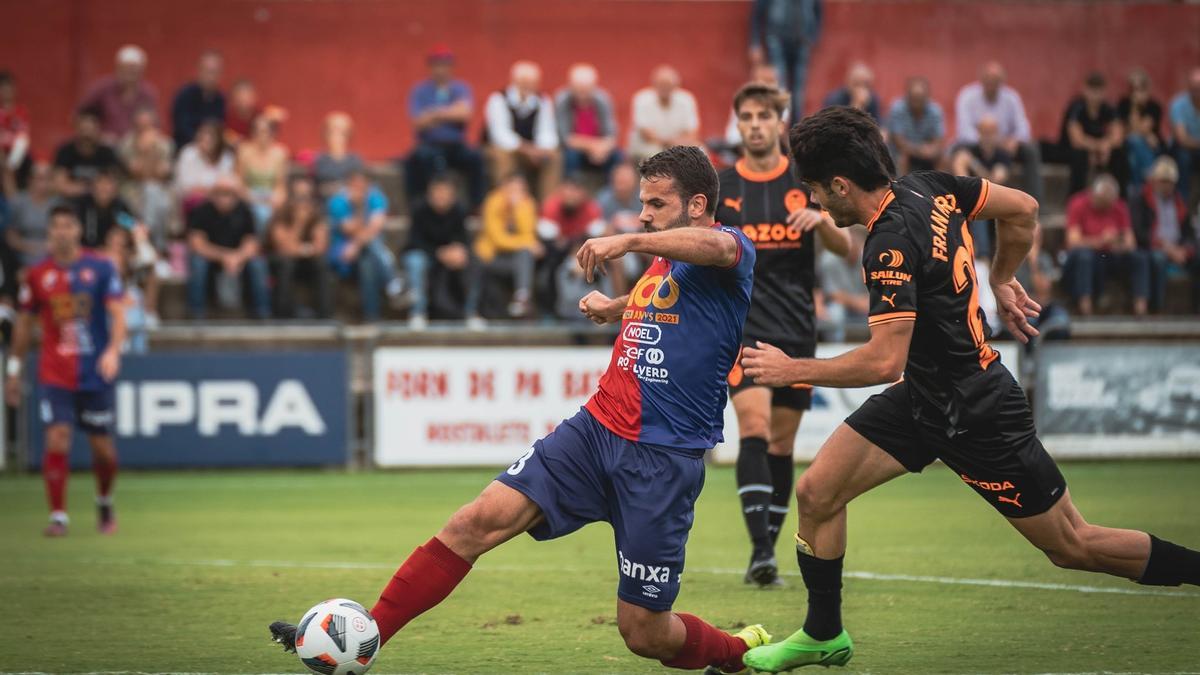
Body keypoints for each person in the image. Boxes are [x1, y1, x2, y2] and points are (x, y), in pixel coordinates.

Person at [270, 145, 772, 672]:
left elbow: (714, 249)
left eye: (656, 203)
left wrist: (628, 238)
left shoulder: (728, 248)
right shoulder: (669, 262)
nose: (644, 212)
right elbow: (668, 295)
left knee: (644, 633)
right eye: (643, 204)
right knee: (474, 522)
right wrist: (616, 307)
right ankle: (363, 637)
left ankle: (739, 652)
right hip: (595, 430)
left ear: (697, 204)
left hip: (662, 458)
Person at [735, 106, 1200, 672]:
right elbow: (1024, 209)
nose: (816, 203)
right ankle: (823, 633)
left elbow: (884, 361)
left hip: (978, 410)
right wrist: (1001, 276)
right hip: (925, 396)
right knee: (817, 493)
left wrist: (791, 370)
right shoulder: (931, 187)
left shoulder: (887, 246)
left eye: (815, 189)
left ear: (839, 184)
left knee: (1072, 545)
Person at [715, 83, 850, 587]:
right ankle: (759, 551)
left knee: (781, 443)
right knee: (752, 426)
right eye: (746, 116)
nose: (754, 124)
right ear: (738, 123)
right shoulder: (723, 187)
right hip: (742, 327)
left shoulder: (804, 182)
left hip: (796, 327)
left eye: (763, 116)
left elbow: (845, 249)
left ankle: (766, 551)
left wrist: (821, 220)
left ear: (778, 123)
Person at [5, 205, 126, 537]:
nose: (62, 231)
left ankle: (104, 499)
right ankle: (58, 516)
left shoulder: (101, 268)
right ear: (49, 232)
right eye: (56, 225)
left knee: (103, 449)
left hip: (94, 371)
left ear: (77, 230)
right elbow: (24, 327)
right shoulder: (37, 275)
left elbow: (118, 314)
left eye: (68, 225)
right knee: (57, 440)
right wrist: (13, 370)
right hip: (55, 372)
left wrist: (113, 351)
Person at [405, 46, 484, 209]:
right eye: (437, 65)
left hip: (456, 145)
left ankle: (476, 205)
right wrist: (450, 111)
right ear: (431, 68)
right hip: (430, 144)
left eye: (445, 65)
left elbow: (464, 114)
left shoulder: (461, 88)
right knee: (417, 159)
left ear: (451, 68)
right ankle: (418, 206)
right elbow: (418, 123)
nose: (441, 69)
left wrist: (434, 113)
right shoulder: (420, 90)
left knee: (476, 158)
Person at [954, 61, 1042, 200]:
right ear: (981, 79)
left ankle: (1035, 202)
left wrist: (1014, 140)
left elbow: (1023, 128)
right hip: (976, 145)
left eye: (995, 80)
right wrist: (990, 140)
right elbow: (964, 131)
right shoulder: (967, 95)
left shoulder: (1011, 98)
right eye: (988, 79)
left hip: (1004, 148)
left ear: (1002, 81)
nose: (991, 83)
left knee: (1031, 150)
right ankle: (958, 200)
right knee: (958, 150)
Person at [1063, 173, 1150, 316]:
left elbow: (1130, 243)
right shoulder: (1078, 203)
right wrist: (1101, 241)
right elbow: (1072, 242)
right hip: (1088, 256)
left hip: (1110, 255)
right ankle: (1085, 308)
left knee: (1139, 257)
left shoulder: (1119, 206)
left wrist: (1117, 244)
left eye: (1109, 204)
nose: (1106, 208)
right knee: (1084, 257)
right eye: (1102, 203)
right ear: (1094, 196)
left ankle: (1141, 308)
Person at [185, 176, 270, 319]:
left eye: (228, 193)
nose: (224, 198)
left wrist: (237, 257)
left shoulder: (245, 211)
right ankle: (196, 311)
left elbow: (251, 243)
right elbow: (197, 244)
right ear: (212, 194)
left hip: (238, 258)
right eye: (220, 193)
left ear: (236, 196)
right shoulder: (202, 211)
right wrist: (225, 257)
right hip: (211, 258)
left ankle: (262, 311)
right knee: (198, 263)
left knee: (258, 264)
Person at [326, 170, 402, 321]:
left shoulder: (376, 197)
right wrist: (359, 207)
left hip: (364, 251)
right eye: (355, 185)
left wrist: (356, 245)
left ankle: (372, 316)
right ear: (348, 185)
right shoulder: (337, 201)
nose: (359, 189)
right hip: (342, 251)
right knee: (371, 248)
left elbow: (376, 226)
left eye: (363, 185)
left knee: (367, 261)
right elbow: (350, 228)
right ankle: (392, 281)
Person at [467, 173, 541, 327]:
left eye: (520, 189)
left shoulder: (527, 203)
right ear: (503, 187)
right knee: (525, 250)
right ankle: (471, 311)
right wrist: (526, 243)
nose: (515, 193)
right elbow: (497, 239)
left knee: (525, 255)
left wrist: (517, 209)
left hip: (512, 259)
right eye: (512, 188)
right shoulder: (493, 201)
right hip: (490, 256)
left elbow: (528, 232)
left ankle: (522, 298)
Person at [484, 61, 561, 200]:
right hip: (503, 149)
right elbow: (501, 136)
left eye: (531, 82)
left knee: (554, 156)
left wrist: (541, 150)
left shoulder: (542, 101)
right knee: (502, 155)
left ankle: (547, 207)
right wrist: (527, 149)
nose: (528, 86)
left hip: (531, 150)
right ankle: (506, 201)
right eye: (523, 82)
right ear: (514, 81)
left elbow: (547, 132)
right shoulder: (498, 99)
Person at [1131, 156, 1198, 313]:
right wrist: (1165, 247)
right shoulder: (1140, 199)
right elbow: (1140, 232)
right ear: (1154, 180)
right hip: (1153, 246)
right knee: (1158, 259)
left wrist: (1185, 249)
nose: (1166, 186)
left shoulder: (1180, 202)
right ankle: (1157, 308)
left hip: (1178, 248)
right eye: (1163, 181)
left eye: (1170, 182)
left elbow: (1189, 233)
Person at [404, 174, 470, 329]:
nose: (440, 196)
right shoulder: (419, 210)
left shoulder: (458, 211)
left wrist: (457, 249)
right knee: (415, 261)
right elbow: (415, 241)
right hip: (425, 254)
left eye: (444, 193)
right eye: (437, 192)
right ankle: (417, 312)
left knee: (470, 259)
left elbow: (463, 238)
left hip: (449, 255)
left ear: (452, 196)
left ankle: (470, 311)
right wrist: (438, 253)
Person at [537, 174, 606, 317]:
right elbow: (549, 238)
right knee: (549, 261)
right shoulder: (551, 206)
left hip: (582, 251)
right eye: (569, 189)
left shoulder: (590, 208)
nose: (572, 195)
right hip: (555, 253)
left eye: (576, 190)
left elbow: (596, 234)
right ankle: (549, 312)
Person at [748, 0, 822, 118]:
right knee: (778, 86)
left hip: (802, 41)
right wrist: (755, 43)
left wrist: (813, 37)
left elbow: (818, 11)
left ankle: (796, 130)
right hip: (776, 39)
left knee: (798, 91)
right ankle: (777, 126)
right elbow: (757, 14)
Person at [268, 189, 332, 319]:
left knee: (321, 264)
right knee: (287, 264)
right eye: (298, 205)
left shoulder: (317, 219)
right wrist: (299, 224)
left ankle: (324, 315)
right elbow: (285, 249)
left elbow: (320, 248)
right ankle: (282, 315)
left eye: (306, 205)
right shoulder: (280, 218)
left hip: (306, 261)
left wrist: (302, 250)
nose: (303, 210)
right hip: (281, 261)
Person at [1060, 71, 1126, 195]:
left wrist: (1106, 146)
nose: (1095, 95)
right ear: (1085, 89)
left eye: (1098, 91)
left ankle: (1121, 200)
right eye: (1092, 90)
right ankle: (1075, 199)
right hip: (1072, 150)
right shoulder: (1076, 107)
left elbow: (1118, 136)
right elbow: (1076, 140)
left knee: (1119, 154)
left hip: (1100, 151)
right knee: (1081, 155)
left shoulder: (1108, 108)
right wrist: (1098, 147)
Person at [118, 106, 174, 248]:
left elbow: (162, 173)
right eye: (140, 127)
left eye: (147, 126)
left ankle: (147, 241)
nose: (144, 131)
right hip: (132, 190)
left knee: (154, 192)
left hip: (159, 190)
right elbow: (137, 173)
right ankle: (155, 244)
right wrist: (144, 151)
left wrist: (153, 149)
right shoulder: (126, 144)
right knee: (151, 192)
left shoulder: (165, 144)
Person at [78, 45, 157, 142]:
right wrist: (98, 135)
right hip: (105, 144)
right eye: (126, 68)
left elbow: (153, 123)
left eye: (134, 69)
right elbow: (82, 115)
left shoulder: (147, 93)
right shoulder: (102, 89)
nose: (130, 72)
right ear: (118, 68)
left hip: (135, 147)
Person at [555, 63, 620, 180]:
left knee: (618, 157)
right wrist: (592, 146)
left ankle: (609, 194)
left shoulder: (603, 100)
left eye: (586, 90)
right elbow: (565, 138)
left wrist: (601, 148)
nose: (582, 94)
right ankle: (572, 191)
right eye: (579, 89)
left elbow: (611, 135)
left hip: (600, 148)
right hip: (575, 149)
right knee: (570, 156)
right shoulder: (563, 100)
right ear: (571, 86)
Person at [628, 65, 701, 162]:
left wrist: (677, 144)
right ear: (654, 85)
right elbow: (646, 134)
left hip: (678, 146)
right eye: (662, 85)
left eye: (668, 85)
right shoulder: (642, 99)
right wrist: (671, 143)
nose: (665, 88)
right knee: (656, 155)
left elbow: (692, 132)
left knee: (701, 152)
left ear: (677, 86)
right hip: (649, 147)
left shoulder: (686, 100)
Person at [53, 107, 122, 198]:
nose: (87, 136)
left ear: (98, 130)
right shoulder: (65, 151)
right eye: (84, 130)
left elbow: (113, 186)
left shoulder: (107, 153)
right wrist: (91, 189)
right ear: (76, 129)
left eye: (90, 131)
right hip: (70, 201)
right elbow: (60, 185)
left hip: (99, 202)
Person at [237, 114, 289, 231]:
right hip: (250, 195)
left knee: (277, 213)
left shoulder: (280, 153)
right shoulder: (244, 151)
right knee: (261, 214)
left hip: (271, 196)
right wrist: (254, 199)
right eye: (257, 131)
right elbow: (240, 183)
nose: (261, 135)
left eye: (265, 131)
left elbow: (280, 184)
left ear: (272, 133)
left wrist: (278, 198)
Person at [174, 119, 236, 213]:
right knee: (202, 204)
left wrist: (214, 191)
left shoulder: (226, 158)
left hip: (220, 200)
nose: (205, 144)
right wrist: (210, 191)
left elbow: (228, 184)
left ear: (218, 140)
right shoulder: (188, 153)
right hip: (192, 200)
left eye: (210, 140)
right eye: (202, 139)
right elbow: (185, 186)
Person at [1118, 69, 1165, 194]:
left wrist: (1140, 132)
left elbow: (1142, 128)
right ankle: (1150, 180)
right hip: (1129, 146)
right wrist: (1134, 106)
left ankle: (1137, 193)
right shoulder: (1123, 104)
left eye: (1141, 89)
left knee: (1134, 157)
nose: (1137, 93)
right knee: (1134, 142)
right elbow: (1122, 130)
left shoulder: (1154, 106)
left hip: (1152, 148)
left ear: (1148, 89)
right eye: (1133, 89)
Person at [886, 76, 945, 175]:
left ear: (927, 97)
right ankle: (901, 187)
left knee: (942, 158)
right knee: (903, 158)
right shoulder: (897, 108)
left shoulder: (935, 110)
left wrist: (932, 149)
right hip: (903, 152)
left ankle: (942, 188)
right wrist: (918, 150)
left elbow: (939, 140)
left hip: (927, 152)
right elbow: (898, 141)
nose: (917, 102)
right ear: (907, 96)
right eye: (914, 98)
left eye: (920, 98)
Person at [171, 50, 226, 152]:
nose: (211, 77)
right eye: (207, 71)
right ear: (199, 71)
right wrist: (200, 142)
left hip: (213, 151)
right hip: (186, 147)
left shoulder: (220, 99)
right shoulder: (185, 95)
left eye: (214, 72)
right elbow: (181, 126)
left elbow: (220, 127)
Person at [73, 169, 138, 250]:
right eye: (100, 183)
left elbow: (132, 226)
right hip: (85, 252)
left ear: (115, 188)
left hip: (112, 252)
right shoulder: (82, 205)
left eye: (108, 183)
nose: (103, 188)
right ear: (93, 187)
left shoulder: (120, 207)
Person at [6, 161, 54, 266]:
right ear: (30, 180)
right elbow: (10, 236)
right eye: (40, 178)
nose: (44, 183)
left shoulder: (58, 203)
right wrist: (31, 248)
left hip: (52, 256)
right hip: (21, 257)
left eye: (48, 178)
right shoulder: (18, 202)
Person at [313, 112, 365, 198]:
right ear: (325, 134)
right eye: (332, 131)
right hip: (326, 202)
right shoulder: (320, 159)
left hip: (349, 204)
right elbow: (319, 185)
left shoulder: (355, 160)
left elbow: (358, 184)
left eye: (342, 132)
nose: (336, 136)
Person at [1169, 67, 1200, 212]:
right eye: (1194, 89)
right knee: (1183, 157)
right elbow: (1181, 139)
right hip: (1182, 149)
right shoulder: (1178, 105)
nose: (1197, 92)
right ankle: (1183, 204)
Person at [0, 70, 32, 193]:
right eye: (3, 88)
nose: (6, 92)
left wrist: (12, 163)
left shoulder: (21, 112)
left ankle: (14, 204)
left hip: (17, 156)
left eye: (9, 88)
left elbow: (22, 139)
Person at [224, 79, 262, 145]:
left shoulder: (261, 117)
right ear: (233, 99)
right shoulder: (226, 117)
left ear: (254, 97)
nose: (243, 101)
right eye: (239, 96)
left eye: (247, 96)